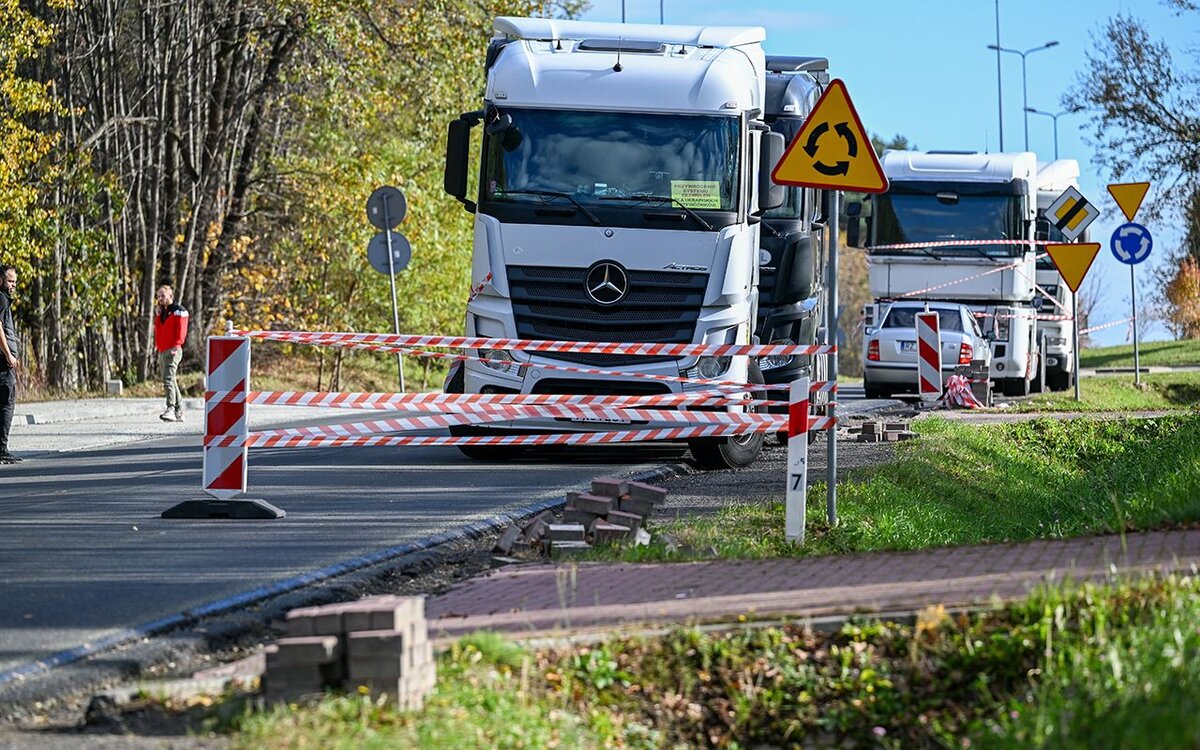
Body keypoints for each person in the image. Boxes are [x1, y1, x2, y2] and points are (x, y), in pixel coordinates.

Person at [153, 285, 189, 422]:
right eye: (158, 296)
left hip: (173, 349)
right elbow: (159, 330)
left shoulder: (179, 311)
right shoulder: (162, 313)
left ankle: (170, 409)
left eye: (162, 295)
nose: (160, 299)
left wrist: (177, 344)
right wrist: (158, 315)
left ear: (170, 295)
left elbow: (182, 330)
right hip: (163, 350)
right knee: (170, 379)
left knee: (168, 379)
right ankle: (179, 410)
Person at [0, 265, 21, 464]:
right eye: (9, 281)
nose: (13, 285)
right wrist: (8, 354)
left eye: (14, 281)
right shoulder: (1, 298)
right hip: (2, 363)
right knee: (7, 403)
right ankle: (2, 449)